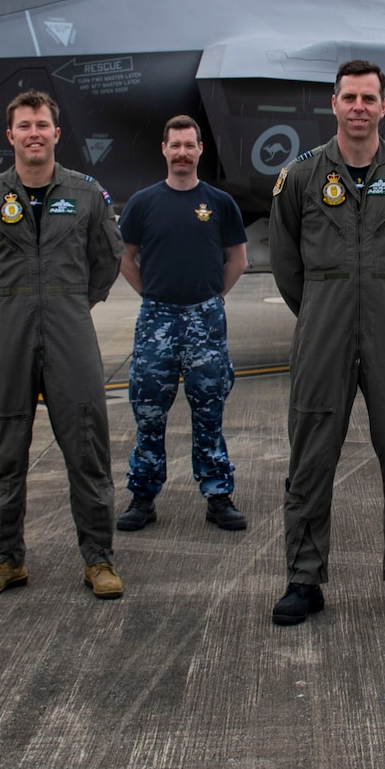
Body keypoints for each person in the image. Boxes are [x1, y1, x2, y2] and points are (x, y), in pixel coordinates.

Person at [268, 60, 385, 627]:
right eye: (350, 97)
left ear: (384, 106)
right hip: (323, 321)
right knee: (311, 456)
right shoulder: (300, 176)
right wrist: (324, 307)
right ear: (334, 104)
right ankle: (303, 579)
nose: (359, 107)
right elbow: (284, 261)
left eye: (369, 98)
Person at [0, 90, 128, 599]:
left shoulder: (88, 194)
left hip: (70, 326)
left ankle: (99, 560)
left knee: (87, 445)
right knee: (5, 447)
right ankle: (7, 559)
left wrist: (73, 303)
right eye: (24, 125)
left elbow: (107, 258)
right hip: (8, 329)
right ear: (11, 136)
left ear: (56, 133)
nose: (34, 133)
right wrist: (8, 307)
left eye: (42, 125)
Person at [115, 116, 251, 534]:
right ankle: (143, 496)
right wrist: (152, 296)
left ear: (199, 150)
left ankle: (217, 496)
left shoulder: (220, 203)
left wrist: (210, 299)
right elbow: (125, 258)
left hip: (205, 321)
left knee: (209, 413)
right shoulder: (143, 203)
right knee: (150, 412)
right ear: (164, 149)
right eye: (174, 145)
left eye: (189, 145)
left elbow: (238, 260)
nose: (182, 153)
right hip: (156, 318)